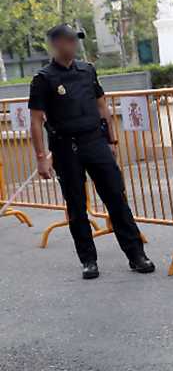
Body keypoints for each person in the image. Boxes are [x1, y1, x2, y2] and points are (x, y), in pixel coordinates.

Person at [28, 24, 154, 279]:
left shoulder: (87, 70)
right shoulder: (43, 79)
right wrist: (41, 158)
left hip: (95, 143)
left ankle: (136, 255)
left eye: (75, 40)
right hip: (66, 148)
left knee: (116, 198)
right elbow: (36, 121)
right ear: (56, 44)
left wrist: (111, 141)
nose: (74, 44)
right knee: (76, 206)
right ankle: (88, 260)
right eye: (69, 40)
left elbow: (101, 106)